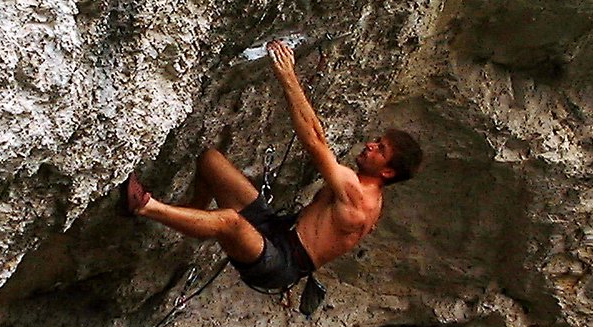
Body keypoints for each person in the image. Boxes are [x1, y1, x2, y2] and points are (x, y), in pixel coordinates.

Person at [123, 40, 422, 293]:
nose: (370, 145)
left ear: (387, 172)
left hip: (280, 264)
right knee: (210, 161)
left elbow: (315, 140)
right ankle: (194, 217)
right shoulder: (361, 187)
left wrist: (288, 76)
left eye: (380, 149)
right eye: (377, 141)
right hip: (278, 230)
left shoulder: (358, 196)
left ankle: (145, 206)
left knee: (229, 221)